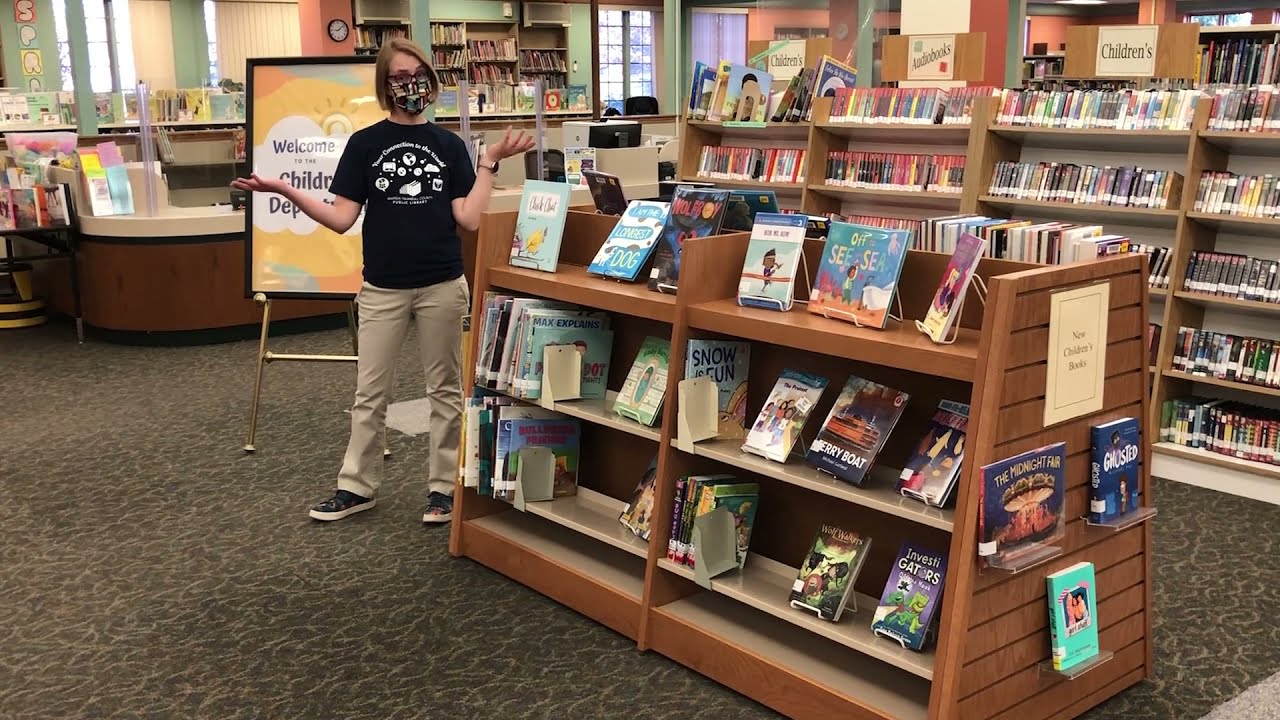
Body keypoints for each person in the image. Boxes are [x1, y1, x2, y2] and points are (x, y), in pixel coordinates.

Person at [232, 38, 535, 524]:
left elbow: (470, 219)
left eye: (416, 73)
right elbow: (339, 218)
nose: (409, 84)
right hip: (382, 287)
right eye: (398, 76)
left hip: (441, 283)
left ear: (430, 80)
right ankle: (356, 487)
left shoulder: (448, 145)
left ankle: (443, 489)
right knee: (369, 394)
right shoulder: (365, 143)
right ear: (384, 85)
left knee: (445, 391)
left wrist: (489, 162)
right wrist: (284, 188)